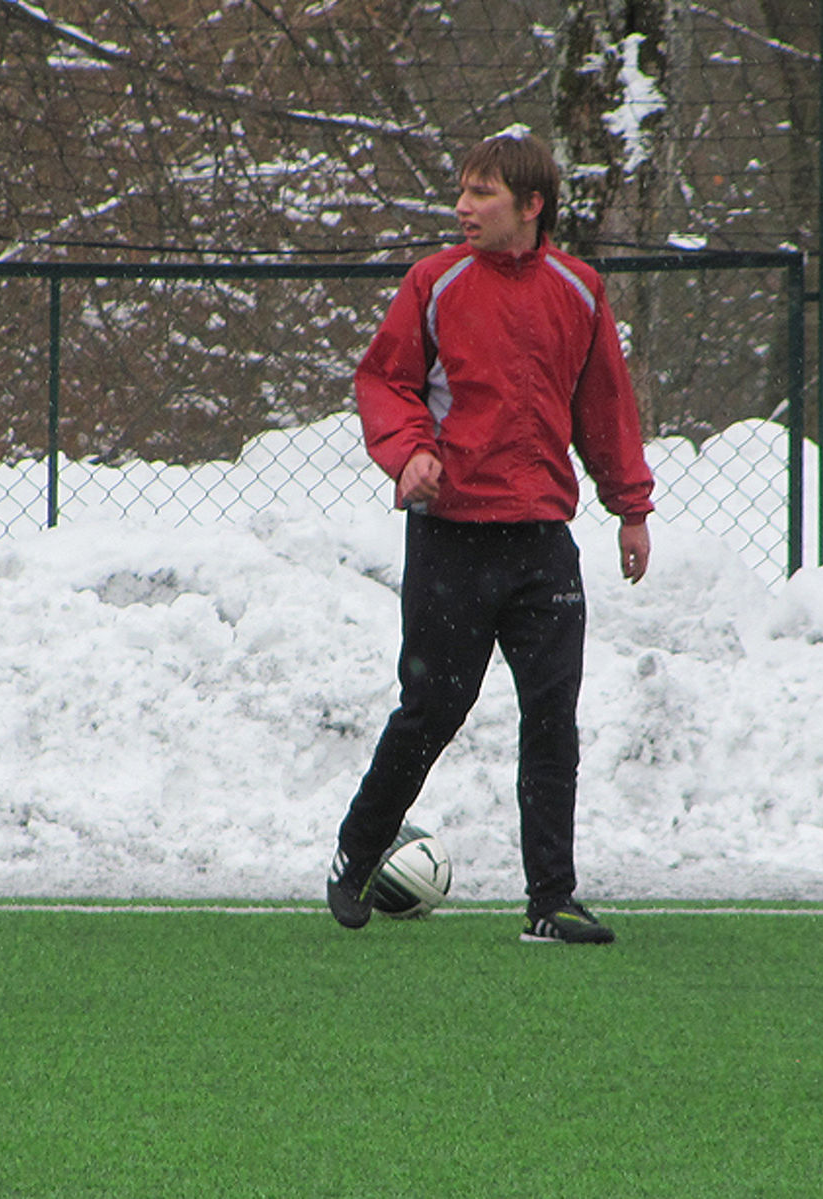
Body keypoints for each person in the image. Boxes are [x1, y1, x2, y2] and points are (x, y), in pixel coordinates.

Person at [327, 133, 655, 944]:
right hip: (452, 541)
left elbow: (604, 405)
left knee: (552, 717)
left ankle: (551, 900)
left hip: (543, 540)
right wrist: (410, 454)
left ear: (531, 205)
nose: (463, 207)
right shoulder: (433, 282)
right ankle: (357, 848)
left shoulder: (579, 289)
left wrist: (631, 507)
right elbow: (384, 380)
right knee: (433, 708)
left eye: (482, 194)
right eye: (462, 192)